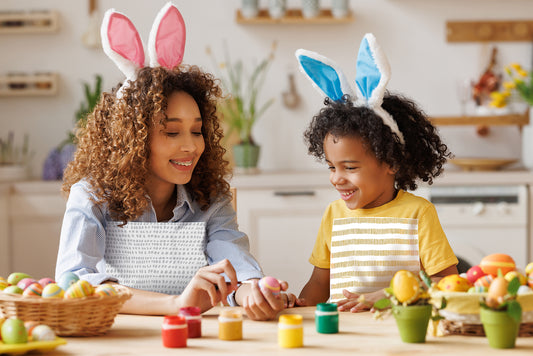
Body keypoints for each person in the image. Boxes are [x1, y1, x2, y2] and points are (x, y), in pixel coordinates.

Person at [55, 3, 294, 321]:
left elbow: (233, 261)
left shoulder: (210, 197)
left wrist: (253, 291)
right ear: (133, 138)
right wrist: (174, 304)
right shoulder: (91, 195)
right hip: (117, 339)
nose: (191, 146)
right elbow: (75, 280)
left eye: (197, 131)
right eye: (171, 132)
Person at [294, 33, 458, 312]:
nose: (336, 178)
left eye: (350, 167)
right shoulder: (334, 214)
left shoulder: (418, 214)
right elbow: (319, 284)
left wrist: (389, 294)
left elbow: (447, 282)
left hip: (398, 334)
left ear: (391, 162)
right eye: (332, 167)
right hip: (342, 336)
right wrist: (296, 304)